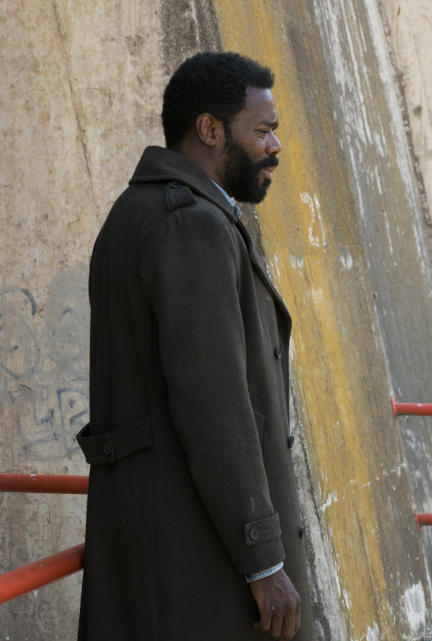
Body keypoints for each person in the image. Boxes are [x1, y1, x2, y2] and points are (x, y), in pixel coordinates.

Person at [78, 52, 313, 641]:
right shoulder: (192, 227)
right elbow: (215, 409)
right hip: (203, 564)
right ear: (209, 130)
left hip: (162, 549)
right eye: (261, 131)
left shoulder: (137, 214)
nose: (275, 147)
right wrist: (264, 558)